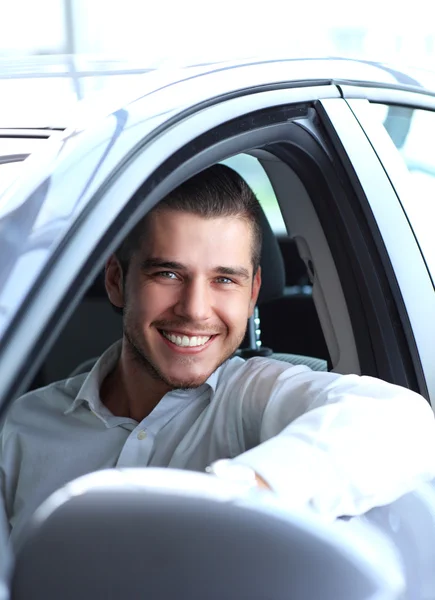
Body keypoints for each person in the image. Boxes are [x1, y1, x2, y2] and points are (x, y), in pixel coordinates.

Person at [1, 163, 435, 558]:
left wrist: (233, 497)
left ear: (252, 293)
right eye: (168, 274)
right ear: (117, 281)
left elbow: (403, 421)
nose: (195, 309)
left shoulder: (256, 397)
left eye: (224, 279)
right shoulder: (21, 427)